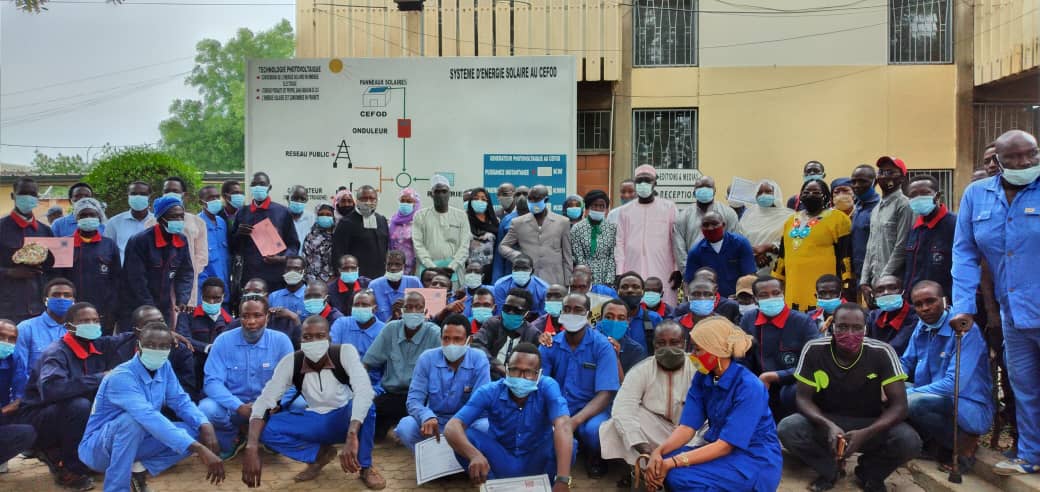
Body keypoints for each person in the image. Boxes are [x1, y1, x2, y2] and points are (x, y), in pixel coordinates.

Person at [952, 130, 1040, 475]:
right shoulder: (977, 195)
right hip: (1013, 313)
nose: (1024, 162)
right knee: (1024, 387)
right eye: (1014, 157)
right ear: (997, 161)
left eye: (1031, 154)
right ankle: (1030, 455)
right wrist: (963, 306)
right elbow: (964, 253)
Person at [778, 303, 919, 492]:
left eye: (857, 328)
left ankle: (870, 473)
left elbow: (900, 406)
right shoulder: (814, 349)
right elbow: (803, 399)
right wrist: (828, 425)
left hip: (870, 422)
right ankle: (830, 469)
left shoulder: (882, 352)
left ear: (865, 329)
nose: (850, 333)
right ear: (832, 327)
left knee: (909, 441)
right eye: (842, 327)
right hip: (827, 421)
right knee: (788, 428)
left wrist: (866, 432)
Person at [240, 316, 385, 489]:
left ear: (329, 338)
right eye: (307, 337)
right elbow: (264, 401)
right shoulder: (291, 362)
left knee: (366, 406)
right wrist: (251, 447)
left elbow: (364, 391)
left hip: (346, 418)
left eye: (320, 336)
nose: (313, 341)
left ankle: (366, 466)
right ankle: (319, 455)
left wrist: (352, 434)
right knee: (264, 429)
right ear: (300, 340)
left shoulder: (344, 353)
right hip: (316, 419)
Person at [78, 322, 225, 491]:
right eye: (150, 345)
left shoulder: (164, 367)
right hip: (99, 449)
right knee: (131, 422)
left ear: (170, 348)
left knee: (193, 430)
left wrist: (204, 424)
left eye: (163, 346)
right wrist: (198, 448)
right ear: (139, 346)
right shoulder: (121, 376)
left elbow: (180, 400)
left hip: (136, 441)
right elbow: (148, 416)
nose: (156, 350)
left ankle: (138, 470)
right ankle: (117, 488)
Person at [642, 317, 782, 492]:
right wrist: (659, 452)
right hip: (724, 452)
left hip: (754, 460)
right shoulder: (703, 377)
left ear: (717, 351)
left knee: (677, 474)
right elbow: (686, 428)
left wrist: (673, 462)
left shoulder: (749, 387)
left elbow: (726, 445)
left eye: (697, 349)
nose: (692, 355)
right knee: (663, 460)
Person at [14, 302, 127, 489]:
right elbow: (52, 389)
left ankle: (83, 455)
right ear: (69, 326)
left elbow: (128, 337)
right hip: (37, 418)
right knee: (79, 406)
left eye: (95, 320)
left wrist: (161, 333)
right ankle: (70, 468)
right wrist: (100, 378)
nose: (91, 324)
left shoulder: (98, 345)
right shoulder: (56, 353)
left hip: (65, 413)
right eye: (84, 321)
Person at [444, 342, 574, 489]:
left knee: (569, 442)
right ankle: (492, 486)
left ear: (538, 374)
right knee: (465, 437)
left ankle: (549, 486)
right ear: (506, 369)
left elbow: (563, 425)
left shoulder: (548, 386)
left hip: (536, 460)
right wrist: (474, 455)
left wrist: (563, 479)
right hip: (501, 460)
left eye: (528, 372)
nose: (521, 377)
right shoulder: (490, 391)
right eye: (515, 370)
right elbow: (452, 427)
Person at [903, 281, 993, 472]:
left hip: (966, 404)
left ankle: (964, 444)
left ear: (945, 301)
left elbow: (953, 384)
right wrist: (888, 384)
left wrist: (908, 394)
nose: (925, 308)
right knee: (891, 392)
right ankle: (934, 444)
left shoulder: (965, 330)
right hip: (932, 397)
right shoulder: (922, 326)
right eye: (918, 304)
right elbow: (905, 363)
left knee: (911, 401)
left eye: (930, 301)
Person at [200, 296, 294, 458]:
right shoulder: (223, 341)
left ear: (267, 317)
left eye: (257, 315)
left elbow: (291, 381)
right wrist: (238, 406)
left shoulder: (281, 341)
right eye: (245, 316)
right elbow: (212, 382)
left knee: (299, 404)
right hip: (234, 408)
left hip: (269, 409)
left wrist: (275, 403)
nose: (251, 321)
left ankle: (271, 436)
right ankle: (234, 436)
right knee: (207, 409)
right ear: (239, 317)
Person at [599, 321, 696, 475]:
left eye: (674, 343)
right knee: (615, 424)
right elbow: (623, 408)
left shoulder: (698, 367)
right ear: (654, 345)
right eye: (661, 343)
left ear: (684, 344)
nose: (668, 348)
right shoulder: (641, 369)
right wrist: (644, 448)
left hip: (690, 433)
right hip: (654, 431)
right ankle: (641, 468)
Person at [540, 292, 620, 478]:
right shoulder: (550, 344)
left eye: (577, 310)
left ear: (588, 314)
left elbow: (606, 393)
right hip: (558, 407)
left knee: (594, 432)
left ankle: (594, 455)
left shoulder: (601, 346)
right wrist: (558, 416)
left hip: (591, 409)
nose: (571, 314)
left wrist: (574, 422)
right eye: (567, 309)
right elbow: (540, 383)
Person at [394, 314, 491, 452]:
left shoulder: (479, 359)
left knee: (485, 427)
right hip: (435, 423)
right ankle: (429, 459)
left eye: (457, 339)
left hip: (466, 424)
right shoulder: (427, 358)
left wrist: (457, 425)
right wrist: (426, 416)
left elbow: (479, 404)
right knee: (406, 426)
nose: (451, 344)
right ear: (440, 339)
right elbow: (413, 400)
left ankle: (468, 457)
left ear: (469, 340)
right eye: (446, 338)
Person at [362, 291, 442, 440]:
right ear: (401, 311)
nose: (413, 311)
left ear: (425, 311)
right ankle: (392, 427)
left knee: (427, 421)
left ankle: (400, 428)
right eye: (408, 307)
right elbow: (367, 362)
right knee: (367, 421)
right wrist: (360, 389)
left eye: (418, 307)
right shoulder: (391, 329)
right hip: (393, 395)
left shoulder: (435, 333)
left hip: (422, 398)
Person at [739, 276, 820, 419]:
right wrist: (748, 381)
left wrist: (776, 376)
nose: (771, 298)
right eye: (764, 295)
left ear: (783, 294)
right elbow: (742, 358)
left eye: (776, 293)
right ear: (755, 299)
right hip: (759, 384)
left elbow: (814, 362)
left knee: (791, 393)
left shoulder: (802, 322)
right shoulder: (748, 319)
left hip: (792, 384)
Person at [773, 178, 853, 311]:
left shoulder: (839, 219)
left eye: (816, 192)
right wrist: (777, 280)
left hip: (825, 285)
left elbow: (845, 254)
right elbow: (782, 254)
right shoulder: (790, 221)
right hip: (794, 283)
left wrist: (846, 283)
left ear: (826, 196)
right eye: (806, 192)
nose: (810, 195)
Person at [123, 195, 194, 324]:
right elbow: (136, 279)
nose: (178, 220)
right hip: (138, 305)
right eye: (173, 217)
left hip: (164, 305)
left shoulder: (181, 240)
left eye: (181, 216)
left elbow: (186, 272)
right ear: (161, 218)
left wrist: (182, 299)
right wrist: (150, 308)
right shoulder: (140, 241)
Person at [616, 165, 681, 306]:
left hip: (663, 267)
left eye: (647, 180)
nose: (643, 184)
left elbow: (676, 240)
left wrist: (677, 269)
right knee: (634, 304)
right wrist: (619, 271)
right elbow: (620, 242)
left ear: (654, 183)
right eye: (639, 181)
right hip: (632, 266)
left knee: (664, 304)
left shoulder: (668, 207)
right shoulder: (625, 211)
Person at [230, 171, 301, 292]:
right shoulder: (242, 212)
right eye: (254, 184)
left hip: (276, 277)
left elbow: (294, 244)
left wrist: (282, 258)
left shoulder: (282, 212)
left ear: (269, 187)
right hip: (250, 276)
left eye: (262, 184)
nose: (258, 187)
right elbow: (233, 248)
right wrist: (239, 234)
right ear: (250, 187)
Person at [144, 177, 209, 304]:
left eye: (175, 191)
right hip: (158, 280)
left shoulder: (197, 222)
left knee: (183, 311)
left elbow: (202, 255)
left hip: (187, 283)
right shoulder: (151, 222)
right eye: (166, 191)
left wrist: (187, 272)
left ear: (183, 194)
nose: (170, 193)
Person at [114, 305, 199, 401]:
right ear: (136, 331)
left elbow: (187, 390)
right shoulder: (122, 346)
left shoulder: (179, 350)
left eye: (161, 322)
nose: (158, 328)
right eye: (149, 324)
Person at [860, 157, 914, 302]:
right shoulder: (876, 209)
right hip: (875, 284)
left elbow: (901, 246)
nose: (884, 176)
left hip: (892, 284)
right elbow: (870, 247)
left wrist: (883, 280)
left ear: (902, 178)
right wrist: (864, 281)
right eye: (881, 172)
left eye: (890, 172)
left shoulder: (904, 205)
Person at [1, 177, 54, 324]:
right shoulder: (1, 228)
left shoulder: (45, 231)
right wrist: (9, 272)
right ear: (13, 196)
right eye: (23, 193)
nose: (28, 197)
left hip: (39, 308)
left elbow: (54, 269)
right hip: (7, 308)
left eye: (33, 194)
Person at [500, 184, 572, 286]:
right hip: (528, 280)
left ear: (546, 200)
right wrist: (518, 256)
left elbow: (567, 256)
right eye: (530, 199)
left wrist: (568, 282)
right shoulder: (518, 222)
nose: (533, 202)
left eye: (536, 199)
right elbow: (503, 246)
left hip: (554, 280)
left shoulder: (562, 222)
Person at [674, 175, 744, 278]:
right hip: (693, 273)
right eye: (700, 187)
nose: (704, 190)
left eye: (708, 187)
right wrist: (688, 273)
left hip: (723, 273)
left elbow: (734, 244)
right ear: (694, 192)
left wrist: (726, 271)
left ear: (714, 190)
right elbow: (679, 249)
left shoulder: (729, 213)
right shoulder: (683, 216)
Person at [904, 174, 956, 298]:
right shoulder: (914, 228)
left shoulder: (954, 225)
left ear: (937, 196)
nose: (918, 198)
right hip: (915, 302)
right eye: (913, 195)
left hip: (943, 302)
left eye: (924, 193)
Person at [473, 288, 542, 379]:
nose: (510, 313)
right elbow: (476, 344)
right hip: (488, 376)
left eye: (517, 310)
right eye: (507, 308)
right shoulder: (493, 324)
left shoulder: (533, 334)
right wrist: (497, 366)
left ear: (526, 314)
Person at [682, 211, 756, 297]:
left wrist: (744, 297)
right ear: (701, 228)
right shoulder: (695, 251)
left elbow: (750, 276)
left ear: (723, 225)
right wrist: (689, 299)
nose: (710, 228)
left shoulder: (740, 243)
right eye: (706, 225)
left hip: (738, 298)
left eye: (714, 224)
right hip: (709, 300)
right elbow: (688, 282)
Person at [412, 175, 470, 282]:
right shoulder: (420, 216)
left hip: (454, 271)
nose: (441, 195)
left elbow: (464, 246)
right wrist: (432, 267)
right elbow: (418, 245)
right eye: (437, 192)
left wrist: (452, 267)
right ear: (431, 194)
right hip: (427, 271)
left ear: (449, 193)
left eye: (444, 191)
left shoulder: (461, 216)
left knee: (454, 293)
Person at [177, 279, 234, 386]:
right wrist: (207, 348)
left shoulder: (230, 321)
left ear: (223, 297)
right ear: (202, 296)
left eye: (216, 298)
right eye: (207, 297)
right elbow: (182, 338)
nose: (211, 302)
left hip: (219, 369)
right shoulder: (188, 315)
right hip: (193, 366)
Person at [15, 278, 75, 375]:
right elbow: (20, 371)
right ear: (45, 300)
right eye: (56, 295)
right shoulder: (26, 328)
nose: (62, 298)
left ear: (73, 301)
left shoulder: (78, 330)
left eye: (67, 295)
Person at [330, 289, 386, 390]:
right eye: (356, 305)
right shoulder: (342, 323)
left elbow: (387, 369)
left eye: (365, 305)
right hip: (342, 383)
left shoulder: (384, 331)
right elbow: (332, 353)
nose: (360, 308)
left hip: (372, 386)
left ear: (375, 309)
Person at [332, 185, 389, 281]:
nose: (368, 202)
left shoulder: (381, 220)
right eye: (364, 198)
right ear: (357, 201)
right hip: (356, 278)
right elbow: (338, 253)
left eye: (371, 198)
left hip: (380, 277)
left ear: (376, 200)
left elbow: (386, 247)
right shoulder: (346, 223)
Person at [0, 318, 35, 475]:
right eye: (1, 336)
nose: (5, 342)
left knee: (27, 432)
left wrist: (5, 410)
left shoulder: (14, 358)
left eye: (11, 339)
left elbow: (21, 395)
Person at [739, 179, 792, 276]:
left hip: (777, 268)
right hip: (750, 266)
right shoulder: (749, 214)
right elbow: (740, 238)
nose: (763, 195)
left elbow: (791, 240)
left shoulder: (789, 216)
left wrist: (770, 247)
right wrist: (753, 254)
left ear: (776, 194)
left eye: (768, 192)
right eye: (759, 193)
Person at [570, 189, 616, 288]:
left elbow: (612, 256)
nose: (598, 209)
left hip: (607, 276)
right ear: (588, 206)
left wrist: (609, 281)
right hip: (584, 278)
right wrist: (586, 278)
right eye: (595, 205)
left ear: (606, 208)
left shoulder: (612, 228)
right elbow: (579, 257)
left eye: (601, 206)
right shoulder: (577, 228)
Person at [236, 278, 302, 347]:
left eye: (256, 291)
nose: (251, 295)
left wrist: (295, 318)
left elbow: (298, 346)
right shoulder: (237, 323)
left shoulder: (284, 321)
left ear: (267, 296)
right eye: (246, 292)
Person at [866, 275, 919, 356]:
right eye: (880, 291)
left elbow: (895, 348)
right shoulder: (873, 316)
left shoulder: (916, 315)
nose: (886, 293)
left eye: (893, 288)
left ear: (903, 292)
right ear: (873, 295)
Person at [673, 278, 739, 341]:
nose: (702, 298)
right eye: (696, 294)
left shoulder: (725, 326)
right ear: (689, 296)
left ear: (714, 297)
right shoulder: (676, 325)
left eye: (707, 294)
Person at [105, 181, 154, 264]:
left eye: (143, 194)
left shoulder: (157, 221)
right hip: (123, 270)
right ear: (128, 195)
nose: (138, 197)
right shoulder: (114, 222)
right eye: (133, 194)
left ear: (149, 196)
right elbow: (107, 249)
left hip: (151, 270)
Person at [597, 298, 648, 374]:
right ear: (600, 319)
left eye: (621, 318)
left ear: (628, 322)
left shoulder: (636, 351)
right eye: (608, 317)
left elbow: (631, 382)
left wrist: (616, 359)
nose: (615, 322)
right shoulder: (589, 344)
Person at [368, 250, 423, 322]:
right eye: (389, 264)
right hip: (383, 327)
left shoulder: (414, 282)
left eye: (397, 264)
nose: (393, 268)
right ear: (385, 265)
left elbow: (424, 308)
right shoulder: (374, 285)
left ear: (404, 266)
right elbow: (370, 314)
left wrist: (408, 306)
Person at [850, 164, 881, 289]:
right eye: (853, 182)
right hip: (857, 273)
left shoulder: (880, 208)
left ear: (875, 182)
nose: (857, 185)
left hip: (874, 274)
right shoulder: (856, 207)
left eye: (862, 181)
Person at [198, 185, 230, 303]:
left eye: (217, 197)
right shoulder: (197, 224)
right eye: (211, 198)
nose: (215, 200)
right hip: (207, 293)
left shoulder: (222, 223)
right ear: (201, 202)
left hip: (225, 290)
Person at [617, 271, 663, 352]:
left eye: (635, 287)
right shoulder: (609, 319)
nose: (630, 290)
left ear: (643, 292)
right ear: (617, 291)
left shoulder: (654, 319)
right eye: (624, 287)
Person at [464, 187, 500, 284]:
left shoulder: (495, 221)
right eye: (475, 198)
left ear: (488, 203)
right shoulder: (463, 220)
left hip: (489, 269)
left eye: (483, 199)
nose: (479, 201)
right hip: (467, 269)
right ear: (470, 202)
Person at [492, 189, 529, 281]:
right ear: (514, 198)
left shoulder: (538, 218)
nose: (521, 197)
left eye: (525, 194)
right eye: (518, 194)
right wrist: (496, 279)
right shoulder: (507, 220)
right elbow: (499, 254)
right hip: (510, 270)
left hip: (533, 270)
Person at [388, 188, 421, 275]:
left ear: (415, 203)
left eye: (409, 201)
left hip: (413, 267)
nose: (405, 203)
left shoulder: (419, 221)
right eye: (402, 201)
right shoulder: (393, 220)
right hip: (394, 266)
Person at [303, 203, 337, 282]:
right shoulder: (310, 237)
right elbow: (306, 260)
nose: (324, 217)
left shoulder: (338, 236)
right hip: (312, 281)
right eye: (321, 214)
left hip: (333, 280)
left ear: (334, 217)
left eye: (328, 215)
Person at [268, 255, 308, 321]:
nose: (292, 272)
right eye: (288, 268)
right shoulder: (273, 297)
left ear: (304, 272)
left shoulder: (311, 297)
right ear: (284, 271)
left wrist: (292, 316)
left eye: (296, 269)